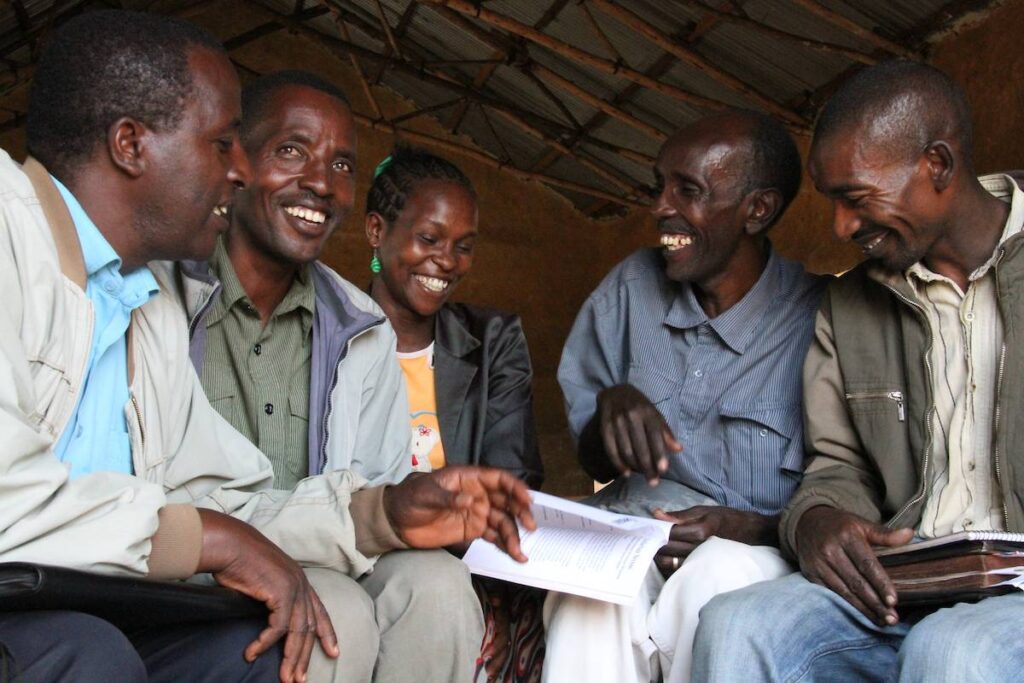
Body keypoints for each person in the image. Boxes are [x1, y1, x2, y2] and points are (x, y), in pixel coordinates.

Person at [0, 11, 534, 683]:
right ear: (132, 145)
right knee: (89, 652)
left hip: (107, 599)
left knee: (277, 653)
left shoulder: (138, 305)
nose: (237, 172)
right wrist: (213, 539)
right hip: (41, 605)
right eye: (223, 145)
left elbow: (227, 499)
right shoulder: (10, 236)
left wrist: (379, 511)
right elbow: (13, 498)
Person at [692, 61, 1024, 682]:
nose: (841, 227)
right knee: (734, 626)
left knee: (954, 651)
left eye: (857, 197)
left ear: (938, 167)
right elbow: (838, 465)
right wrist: (817, 518)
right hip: (905, 586)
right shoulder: (849, 307)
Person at [183, 71, 495, 682]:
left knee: (438, 583)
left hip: (326, 553)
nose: (322, 183)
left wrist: (416, 504)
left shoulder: (363, 329)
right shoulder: (167, 297)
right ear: (237, 160)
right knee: (339, 608)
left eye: (343, 165)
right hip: (193, 558)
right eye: (292, 150)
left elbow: (377, 487)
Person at [543, 109, 828, 683]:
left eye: (688, 190)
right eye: (660, 185)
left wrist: (744, 527)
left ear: (758, 209)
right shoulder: (629, 290)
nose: (660, 207)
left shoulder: (819, 321)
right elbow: (593, 459)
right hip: (633, 535)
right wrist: (610, 408)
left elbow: (845, 497)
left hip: (753, 552)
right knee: (588, 602)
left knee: (714, 583)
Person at [364, 147, 545, 681]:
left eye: (463, 247)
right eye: (429, 239)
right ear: (377, 231)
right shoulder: (329, 331)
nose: (447, 261)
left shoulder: (492, 341)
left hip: (465, 563)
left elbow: (511, 481)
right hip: (360, 548)